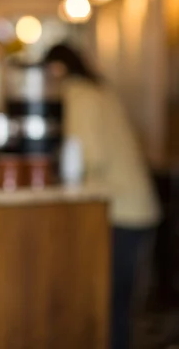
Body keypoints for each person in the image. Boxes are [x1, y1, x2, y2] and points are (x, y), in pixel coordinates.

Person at [43, 43, 161, 349]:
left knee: (112, 300)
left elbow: (87, 155)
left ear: (57, 69)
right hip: (134, 204)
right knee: (119, 300)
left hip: (121, 208)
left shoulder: (79, 95)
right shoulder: (99, 91)